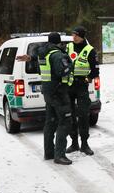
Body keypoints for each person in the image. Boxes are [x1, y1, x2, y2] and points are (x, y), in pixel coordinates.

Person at [18, 32, 74, 165]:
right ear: (59, 42)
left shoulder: (42, 54)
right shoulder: (57, 55)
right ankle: (59, 155)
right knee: (65, 122)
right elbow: (62, 71)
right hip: (59, 93)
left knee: (50, 122)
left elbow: (39, 68)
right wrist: (70, 65)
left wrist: (30, 58)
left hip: (48, 93)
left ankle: (49, 153)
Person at [65, 26, 100, 156]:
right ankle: (74, 143)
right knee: (70, 116)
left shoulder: (90, 50)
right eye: (72, 35)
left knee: (84, 115)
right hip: (69, 87)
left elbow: (95, 70)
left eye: (76, 35)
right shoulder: (68, 47)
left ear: (82, 36)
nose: (73, 37)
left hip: (82, 87)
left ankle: (84, 144)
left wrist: (88, 78)